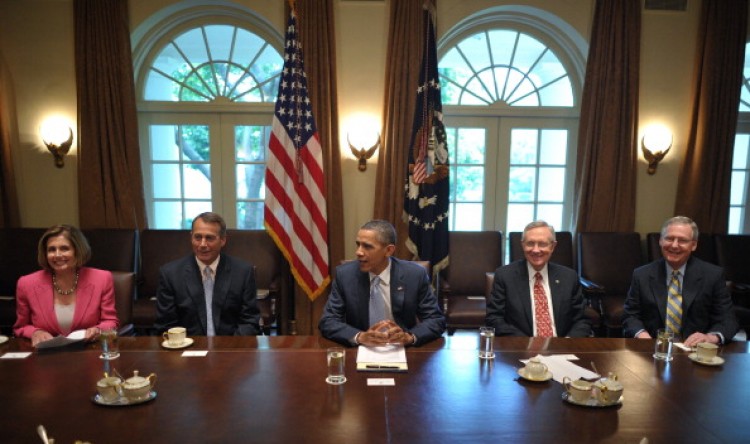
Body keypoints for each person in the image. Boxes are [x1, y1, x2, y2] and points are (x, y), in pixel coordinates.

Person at [319, 219, 445, 346]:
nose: (358, 252)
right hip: (361, 348)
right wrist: (360, 336)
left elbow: (435, 320)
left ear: (389, 250)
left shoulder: (414, 275)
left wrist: (410, 337)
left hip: (401, 348)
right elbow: (328, 321)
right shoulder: (345, 275)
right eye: (358, 244)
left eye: (367, 246)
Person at [622, 216, 738, 346]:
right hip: (653, 349)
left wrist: (710, 337)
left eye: (682, 240)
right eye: (669, 238)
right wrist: (642, 336)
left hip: (695, 351)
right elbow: (630, 315)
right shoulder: (641, 274)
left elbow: (728, 320)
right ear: (660, 241)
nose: (674, 245)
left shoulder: (713, 275)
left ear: (693, 245)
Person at [154, 212, 260, 336]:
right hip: (188, 347)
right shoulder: (170, 274)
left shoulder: (243, 272)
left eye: (209, 238)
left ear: (223, 240)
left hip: (230, 347)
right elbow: (165, 325)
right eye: (198, 237)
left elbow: (250, 322)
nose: (203, 244)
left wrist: (228, 347)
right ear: (191, 237)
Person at [14, 225, 118, 346]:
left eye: (64, 248)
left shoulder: (102, 278)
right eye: (51, 250)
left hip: (88, 352)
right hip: (47, 355)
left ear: (78, 251)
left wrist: (98, 330)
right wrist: (35, 332)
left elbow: (110, 321)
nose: (57, 255)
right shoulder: (26, 283)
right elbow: (21, 326)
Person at [486, 221, 591, 337]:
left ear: (553, 246)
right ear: (522, 245)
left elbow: (581, 320)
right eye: (530, 243)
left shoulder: (569, 277)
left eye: (542, 244)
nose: (536, 250)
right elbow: (494, 318)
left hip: (563, 347)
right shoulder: (505, 276)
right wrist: (528, 344)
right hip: (522, 348)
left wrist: (567, 342)